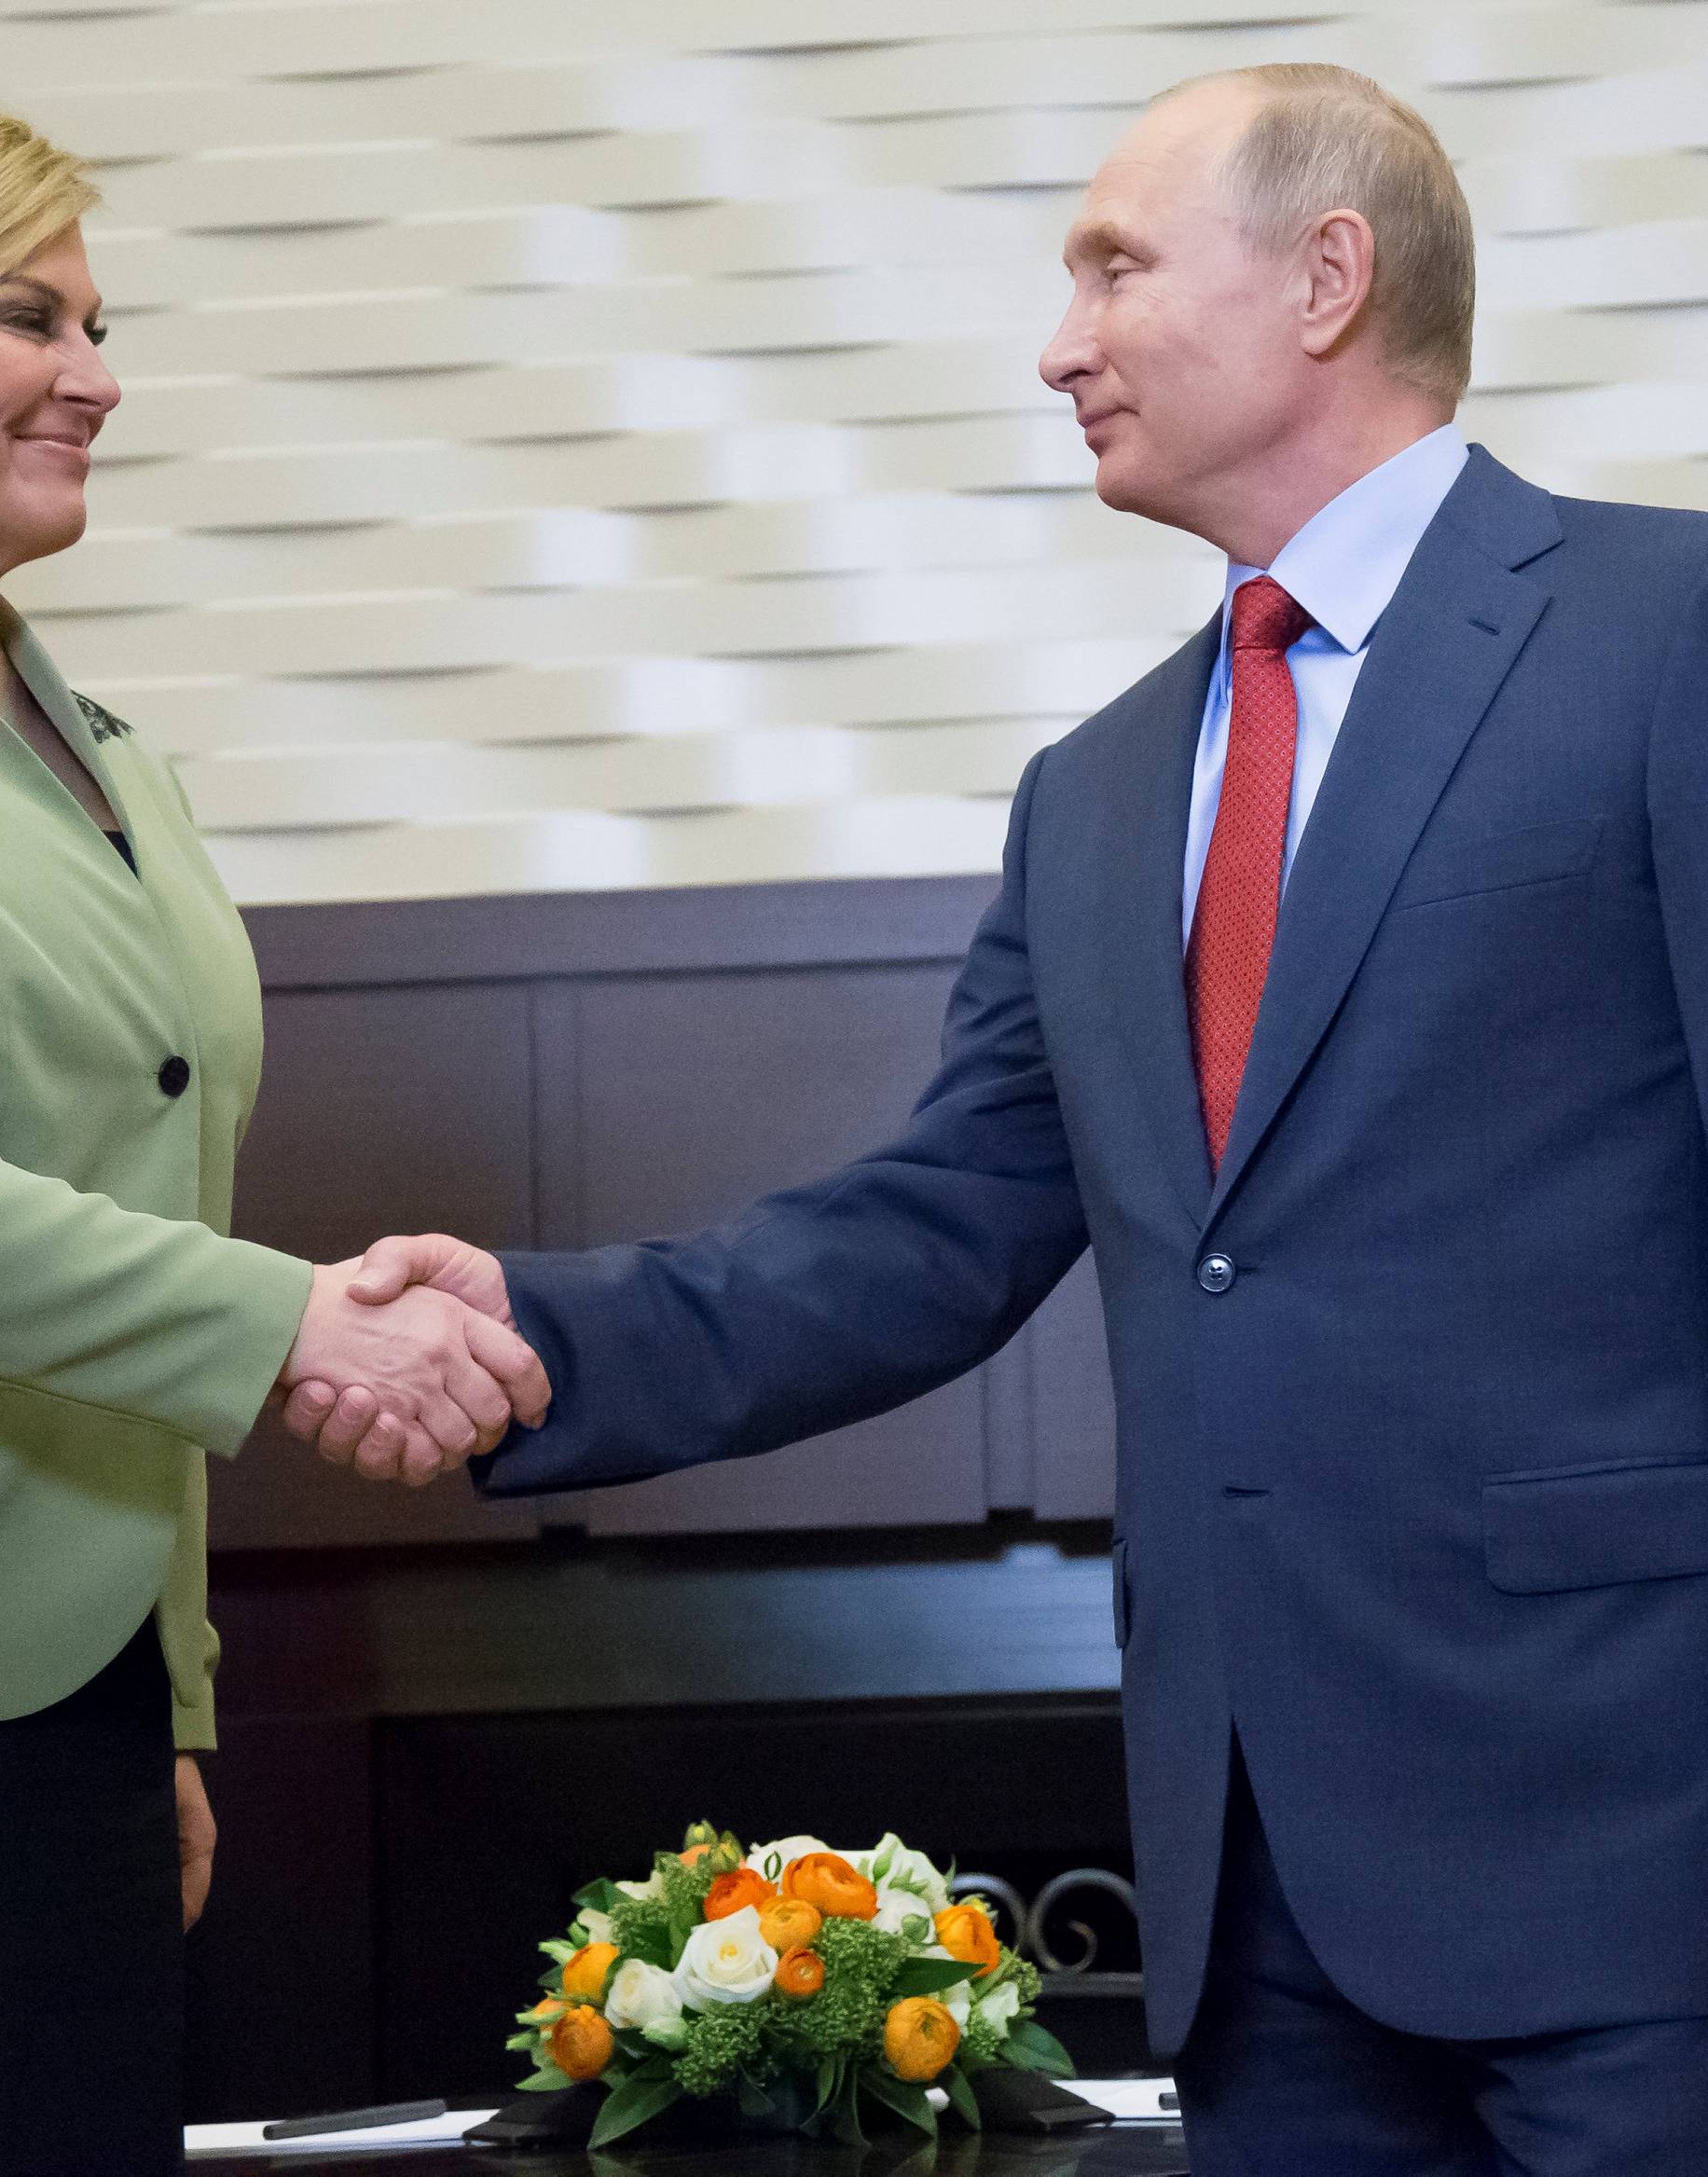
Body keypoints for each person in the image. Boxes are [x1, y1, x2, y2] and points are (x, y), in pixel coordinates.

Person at [289, 62, 1708, 2175]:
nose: (1061, 343)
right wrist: (534, 1331)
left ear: (1330, 277)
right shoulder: (1102, 789)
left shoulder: (1666, 632)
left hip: (1637, 1859)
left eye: (1114, 268)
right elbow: (932, 1231)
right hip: (1264, 1910)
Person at [0, 90, 547, 2177]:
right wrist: (303, 1326)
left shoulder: (106, 755)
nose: (99, 378)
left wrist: (166, 1698)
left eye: (105, 324)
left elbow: (136, 1190)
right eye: (32, 317)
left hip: (67, 1698)